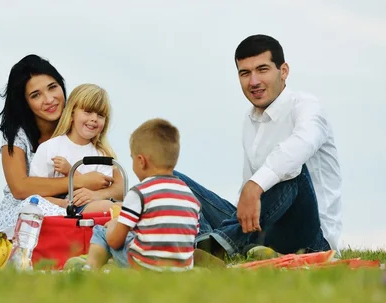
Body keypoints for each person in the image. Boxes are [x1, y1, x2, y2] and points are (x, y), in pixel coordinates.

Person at [174, 34, 342, 257]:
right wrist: (248, 191)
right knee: (171, 178)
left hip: (311, 237)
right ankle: (205, 247)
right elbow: (248, 198)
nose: (253, 82)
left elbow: (301, 145)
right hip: (262, 228)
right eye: (245, 73)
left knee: (292, 169)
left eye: (262, 70)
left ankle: (220, 244)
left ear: (283, 71)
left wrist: (255, 185)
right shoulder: (250, 119)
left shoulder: (307, 107)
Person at [0, 55, 122, 261]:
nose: (49, 99)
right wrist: (78, 180)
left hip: (78, 202)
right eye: (36, 95)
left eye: (53, 87)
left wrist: (95, 194)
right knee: (31, 213)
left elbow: (116, 182)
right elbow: (20, 187)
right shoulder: (19, 135)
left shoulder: (81, 123)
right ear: (25, 103)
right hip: (32, 202)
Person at [84, 118, 201, 271]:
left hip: (144, 266)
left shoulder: (139, 193)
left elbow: (115, 241)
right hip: (181, 268)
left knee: (102, 231)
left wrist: (114, 223)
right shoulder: (190, 196)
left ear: (141, 161)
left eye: (132, 159)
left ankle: (89, 269)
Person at [29, 83, 120, 214]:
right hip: (55, 209)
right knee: (111, 207)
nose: (94, 119)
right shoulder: (49, 148)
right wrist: (61, 203)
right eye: (88, 112)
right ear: (72, 114)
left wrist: (70, 171)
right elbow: (35, 193)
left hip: (87, 207)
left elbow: (98, 189)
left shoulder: (102, 155)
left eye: (100, 115)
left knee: (117, 206)